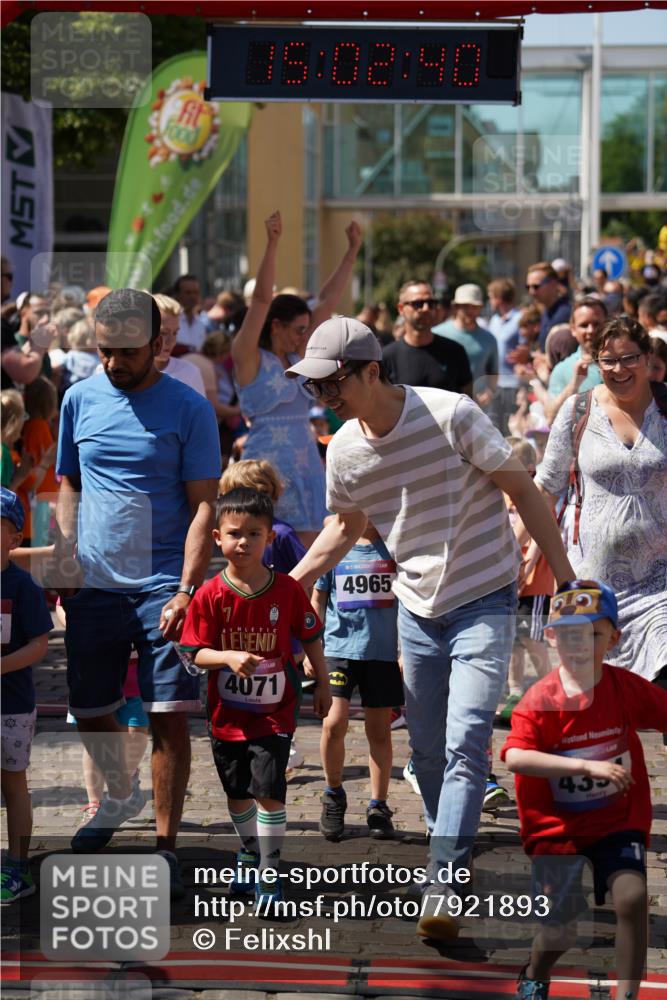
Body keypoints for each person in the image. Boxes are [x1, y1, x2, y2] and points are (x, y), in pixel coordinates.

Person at [286, 315, 575, 941]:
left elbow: (524, 492)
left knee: (467, 738)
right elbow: (346, 526)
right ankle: (452, 853)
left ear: (371, 372)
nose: (324, 397)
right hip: (415, 608)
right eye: (315, 387)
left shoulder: (451, 414)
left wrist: (567, 578)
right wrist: (295, 580)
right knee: (425, 752)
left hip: (485, 594)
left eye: (332, 383)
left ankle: (443, 879)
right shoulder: (344, 449)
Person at [53, 288, 221, 893]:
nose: (114, 363)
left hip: (163, 585)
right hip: (93, 585)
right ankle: (120, 795)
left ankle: (165, 847)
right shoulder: (78, 398)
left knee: (166, 716)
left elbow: (204, 507)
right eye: (105, 351)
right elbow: (69, 483)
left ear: (158, 344)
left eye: (127, 352)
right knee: (89, 708)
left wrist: (186, 589)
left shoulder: (189, 408)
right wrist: (64, 555)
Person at [501, 579, 667, 1000]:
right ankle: (535, 973)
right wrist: (585, 766)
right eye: (570, 634)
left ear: (614, 638)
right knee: (562, 928)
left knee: (632, 898)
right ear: (552, 637)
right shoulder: (540, 699)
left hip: (617, 821)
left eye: (593, 634)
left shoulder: (625, 687)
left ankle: (626, 994)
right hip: (556, 830)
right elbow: (515, 757)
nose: (580, 644)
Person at [179, 488, 331, 910]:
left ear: (270, 538)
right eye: (234, 533)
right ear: (217, 538)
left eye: (254, 534)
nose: (243, 542)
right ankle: (248, 850)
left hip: (275, 714)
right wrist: (226, 656)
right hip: (226, 715)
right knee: (237, 793)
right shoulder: (211, 594)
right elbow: (194, 652)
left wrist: (322, 682)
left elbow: (310, 635)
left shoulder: (287, 590)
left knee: (269, 791)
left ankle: (269, 870)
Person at [536, 315, 667, 689]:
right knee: (598, 695)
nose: (619, 369)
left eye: (629, 358)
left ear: (646, 358)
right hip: (591, 583)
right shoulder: (577, 410)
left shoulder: (665, 408)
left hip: (659, 581)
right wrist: (517, 548)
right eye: (608, 360)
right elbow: (546, 488)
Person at [231, 210, 362, 547]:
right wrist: (272, 243)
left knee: (308, 548)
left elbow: (327, 301)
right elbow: (262, 300)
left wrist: (351, 252)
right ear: (276, 325)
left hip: (305, 463)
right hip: (264, 467)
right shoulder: (249, 356)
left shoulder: (298, 356)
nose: (305, 335)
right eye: (299, 329)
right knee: (262, 544)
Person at [312, 518, 403, 842]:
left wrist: (405, 649)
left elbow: (408, 601)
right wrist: (313, 646)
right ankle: (333, 793)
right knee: (332, 723)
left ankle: (379, 805)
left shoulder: (395, 545)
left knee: (379, 731)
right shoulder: (336, 543)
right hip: (339, 650)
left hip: (382, 653)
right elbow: (318, 597)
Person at [1, 487, 53, 902]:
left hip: (11, 708)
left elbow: (39, 645)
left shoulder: (22, 586)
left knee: (13, 785)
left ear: (15, 538)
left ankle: (19, 867)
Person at [382, 280, 472, 396]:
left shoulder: (455, 351)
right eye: (418, 303)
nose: (426, 308)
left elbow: (468, 397)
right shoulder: (388, 357)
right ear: (401, 309)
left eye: (431, 303)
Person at [433, 283, 498, 412]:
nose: (470, 311)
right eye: (465, 306)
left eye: (474, 307)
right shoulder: (437, 334)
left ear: (480, 308)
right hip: (443, 407)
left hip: (477, 408)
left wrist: (490, 391)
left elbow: (493, 371)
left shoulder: (489, 339)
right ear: (456, 307)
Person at [545, 298, 608, 425]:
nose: (591, 330)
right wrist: (574, 385)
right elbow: (550, 419)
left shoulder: (624, 362)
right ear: (573, 330)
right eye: (584, 325)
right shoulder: (562, 369)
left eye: (596, 324)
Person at [486, 278, 522, 434]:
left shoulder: (519, 319)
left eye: (491, 297)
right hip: (495, 385)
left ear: (498, 298)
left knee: (511, 430)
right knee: (494, 429)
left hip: (513, 385)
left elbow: (525, 349)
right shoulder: (494, 320)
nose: (489, 301)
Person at [153, 293, 207, 396]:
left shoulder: (190, 373)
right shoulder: (128, 375)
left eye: (175, 333)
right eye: (163, 333)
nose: (171, 341)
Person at [525, 262, 571, 351]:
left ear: (553, 283)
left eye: (536, 286)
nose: (531, 292)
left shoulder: (566, 313)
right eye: (528, 287)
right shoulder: (546, 311)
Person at [173, 274, 207, 353]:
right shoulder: (171, 320)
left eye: (196, 292)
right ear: (177, 295)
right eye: (188, 293)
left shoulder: (201, 324)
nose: (193, 297)